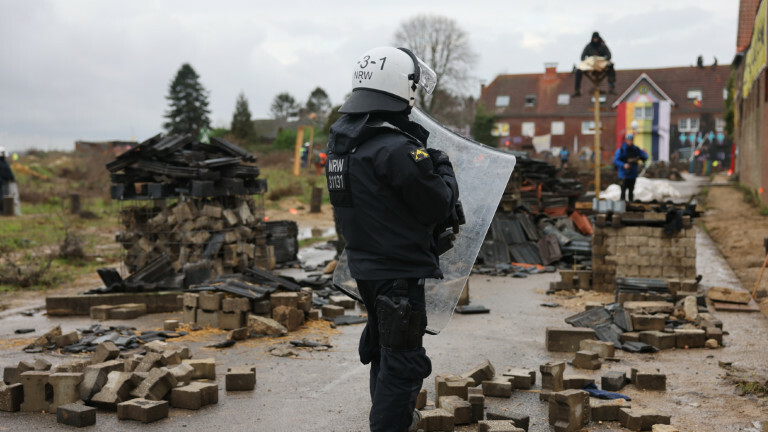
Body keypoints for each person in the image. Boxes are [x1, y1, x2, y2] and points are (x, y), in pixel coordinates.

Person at [326, 46, 459, 432]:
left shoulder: (344, 145)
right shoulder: (397, 149)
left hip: (366, 267)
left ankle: (396, 420)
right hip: (398, 271)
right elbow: (439, 205)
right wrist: (443, 165)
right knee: (403, 363)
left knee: (387, 351)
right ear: (403, 87)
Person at [573, 32, 616, 96]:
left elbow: (609, 55)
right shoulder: (588, 46)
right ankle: (577, 90)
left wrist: (604, 59)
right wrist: (587, 61)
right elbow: (582, 57)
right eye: (594, 38)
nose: (595, 39)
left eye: (596, 38)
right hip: (590, 64)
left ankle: (611, 86)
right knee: (578, 69)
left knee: (611, 65)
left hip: (600, 63)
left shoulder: (603, 46)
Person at [614, 133, 648, 202]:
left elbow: (645, 155)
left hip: (633, 175)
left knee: (631, 192)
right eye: (628, 140)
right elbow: (615, 160)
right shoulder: (621, 150)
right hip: (623, 175)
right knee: (623, 191)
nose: (630, 142)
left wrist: (643, 157)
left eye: (631, 140)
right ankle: (622, 206)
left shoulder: (636, 149)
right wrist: (624, 165)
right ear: (626, 140)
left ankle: (631, 206)